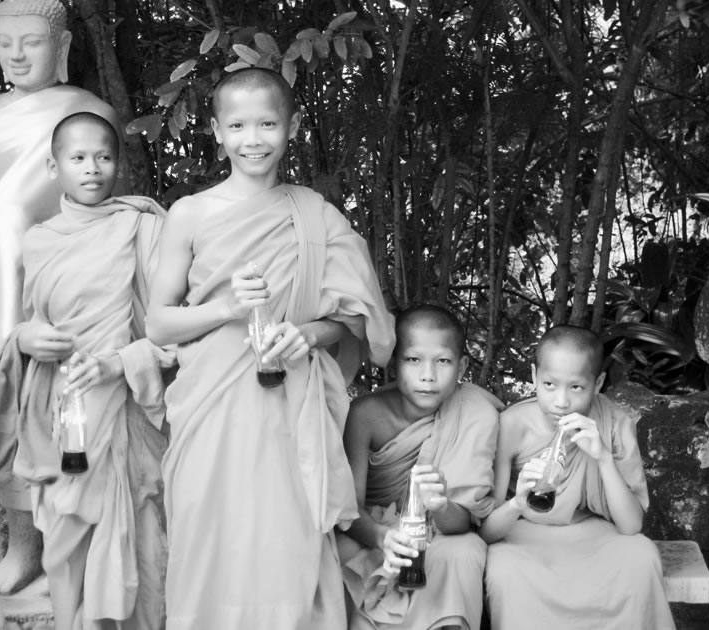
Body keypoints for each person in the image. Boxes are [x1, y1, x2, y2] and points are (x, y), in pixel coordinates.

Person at [146, 67, 395, 630]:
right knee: (212, 526)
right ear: (215, 130)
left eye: (266, 124)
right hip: (212, 399)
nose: (252, 138)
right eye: (237, 125)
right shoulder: (190, 214)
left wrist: (309, 333)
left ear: (293, 126)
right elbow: (159, 325)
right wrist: (227, 310)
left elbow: (355, 317)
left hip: (291, 399)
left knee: (285, 528)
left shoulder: (316, 216)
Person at [0, 0, 122, 594]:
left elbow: (73, 196)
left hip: (56, 282)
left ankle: (70, 550)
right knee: (3, 403)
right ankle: (20, 547)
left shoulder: (85, 111)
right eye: (5, 40)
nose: (16, 53)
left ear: (61, 46)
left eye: (31, 41)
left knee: (58, 413)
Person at [0, 112, 169, 630]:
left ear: (118, 164)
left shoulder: (142, 225)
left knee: (142, 529)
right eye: (77, 158)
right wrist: (25, 338)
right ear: (53, 166)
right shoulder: (40, 240)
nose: (92, 169)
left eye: (103, 157)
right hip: (61, 409)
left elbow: (170, 328)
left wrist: (118, 364)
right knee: (62, 529)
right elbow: (30, 325)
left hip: (127, 405)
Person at [480, 325, 676, 630]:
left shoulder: (613, 423)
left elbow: (631, 526)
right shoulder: (512, 425)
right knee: (505, 572)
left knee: (641, 557)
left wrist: (602, 457)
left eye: (576, 388)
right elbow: (486, 531)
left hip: (595, 535)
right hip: (524, 536)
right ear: (533, 375)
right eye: (549, 384)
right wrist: (518, 503)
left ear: (597, 383)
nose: (561, 401)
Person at [337, 304, 502, 630]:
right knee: (339, 549)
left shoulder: (475, 413)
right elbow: (349, 510)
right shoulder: (365, 414)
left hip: (439, 533)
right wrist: (383, 536)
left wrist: (441, 505)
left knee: (465, 550)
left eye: (442, 361)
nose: (428, 375)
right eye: (414, 360)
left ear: (462, 365)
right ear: (395, 365)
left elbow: (463, 524)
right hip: (376, 532)